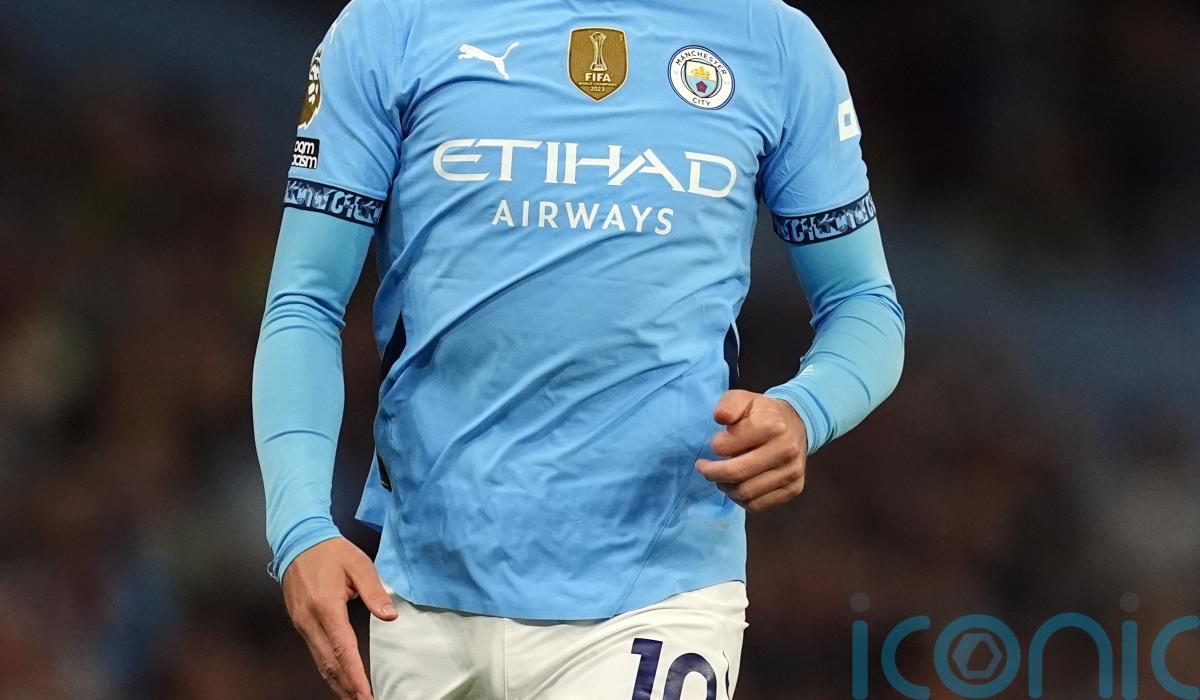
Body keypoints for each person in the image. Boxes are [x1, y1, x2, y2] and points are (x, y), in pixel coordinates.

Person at [252, 0, 905, 697]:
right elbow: (305, 300)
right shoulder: (392, 25)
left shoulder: (769, 41)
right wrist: (300, 530)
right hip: (421, 594)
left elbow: (864, 303)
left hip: (657, 591)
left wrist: (805, 411)